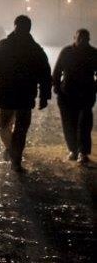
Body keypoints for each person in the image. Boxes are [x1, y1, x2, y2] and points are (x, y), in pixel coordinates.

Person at [0, 15, 51, 172]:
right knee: (20, 128)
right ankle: (16, 157)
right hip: (25, 95)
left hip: (6, 93)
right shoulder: (35, 50)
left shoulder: (4, 47)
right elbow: (45, 74)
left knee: (5, 126)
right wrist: (44, 96)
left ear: (15, 26)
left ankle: (13, 153)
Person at [52, 29, 97, 164]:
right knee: (69, 123)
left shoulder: (92, 53)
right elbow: (57, 71)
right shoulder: (68, 52)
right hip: (68, 94)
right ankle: (74, 150)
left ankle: (81, 152)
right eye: (81, 38)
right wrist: (57, 88)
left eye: (85, 39)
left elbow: (56, 72)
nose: (83, 41)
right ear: (75, 38)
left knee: (84, 123)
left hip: (84, 94)